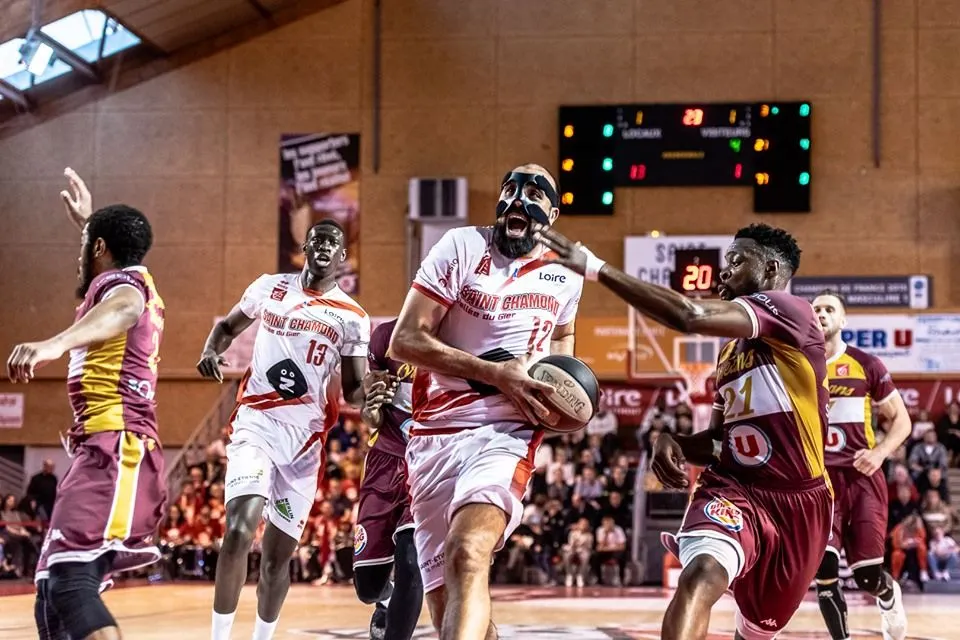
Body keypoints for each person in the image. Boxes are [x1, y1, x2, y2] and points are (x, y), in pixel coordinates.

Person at [535, 222, 832, 640]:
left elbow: (689, 315)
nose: (723, 271)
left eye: (735, 260)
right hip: (733, 488)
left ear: (768, 270)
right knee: (700, 574)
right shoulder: (730, 352)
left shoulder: (794, 313)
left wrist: (595, 267)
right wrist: (670, 441)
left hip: (798, 501)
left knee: (758, 630)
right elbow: (717, 443)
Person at [389, 163, 582, 640]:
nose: (519, 198)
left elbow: (564, 344)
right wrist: (497, 373)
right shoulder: (460, 245)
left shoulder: (567, 276)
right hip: (433, 435)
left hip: (505, 434)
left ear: (551, 215)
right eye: (510, 188)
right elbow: (405, 341)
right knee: (446, 604)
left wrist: (559, 399)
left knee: (468, 551)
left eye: (535, 193)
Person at [7, 168, 165, 640]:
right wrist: (90, 222)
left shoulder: (124, 287)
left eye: (87, 245)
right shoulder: (125, 275)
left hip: (117, 446)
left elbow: (124, 309)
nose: (80, 255)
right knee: (51, 600)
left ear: (98, 249)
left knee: (72, 586)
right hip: (98, 447)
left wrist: (54, 344)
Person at [197, 219, 369, 640]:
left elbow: (353, 390)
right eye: (317, 241)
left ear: (342, 257)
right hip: (257, 423)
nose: (324, 247)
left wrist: (376, 392)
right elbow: (226, 328)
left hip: (304, 444)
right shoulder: (269, 287)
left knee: (277, 561)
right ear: (305, 248)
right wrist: (210, 350)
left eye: (333, 243)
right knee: (238, 530)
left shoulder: (353, 318)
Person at [812, 290, 911, 640]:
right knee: (823, 567)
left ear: (843, 320)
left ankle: (888, 596)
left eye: (829, 309)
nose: (821, 313)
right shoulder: (797, 367)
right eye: (816, 309)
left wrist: (881, 452)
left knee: (868, 576)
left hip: (862, 477)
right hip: (819, 481)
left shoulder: (866, 364)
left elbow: (902, 420)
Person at [354, 317, 423, 640]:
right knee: (367, 586)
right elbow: (371, 416)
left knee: (411, 558)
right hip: (385, 459)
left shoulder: (462, 337)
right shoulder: (386, 336)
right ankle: (385, 598)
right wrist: (371, 405)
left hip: (431, 460)